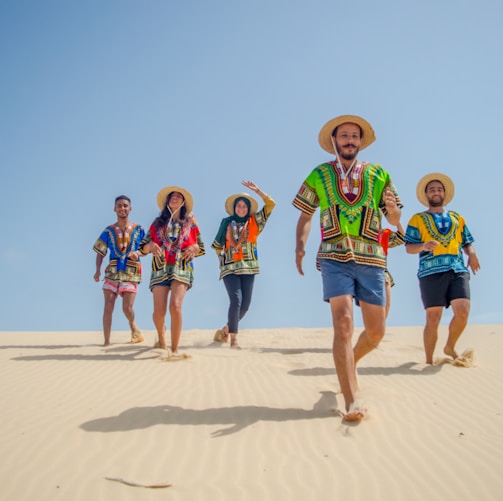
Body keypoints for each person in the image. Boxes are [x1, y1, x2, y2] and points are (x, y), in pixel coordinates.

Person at [292, 114, 402, 422]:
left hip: (372, 258)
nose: (350, 139)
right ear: (334, 141)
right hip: (333, 256)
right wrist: (300, 246)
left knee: (377, 331)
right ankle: (352, 400)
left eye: (355, 135)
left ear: (360, 141)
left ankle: (349, 362)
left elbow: (394, 221)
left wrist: (393, 213)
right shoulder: (319, 174)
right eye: (344, 135)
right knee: (343, 324)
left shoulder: (379, 174)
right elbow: (305, 214)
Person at [404, 173, 480, 364]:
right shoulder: (417, 219)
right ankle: (429, 361)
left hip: (457, 268)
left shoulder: (457, 217)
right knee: (433, 317)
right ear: (426, 194)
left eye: (439, 189)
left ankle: (449, 346)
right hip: (430, 272)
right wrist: (423, 246)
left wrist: (471, 254)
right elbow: (408, 247)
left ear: (444, 193)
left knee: (463, 310)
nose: (436, 192)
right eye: (432, 190)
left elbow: (467, 242)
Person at [138, 186, 205, 356]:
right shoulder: (157, 223)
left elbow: (201, 247)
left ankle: (174, 350)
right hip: (160, 268)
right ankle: (161, 337)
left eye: (178, 196)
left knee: (175, 306)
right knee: (158, 313)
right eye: (172, 196)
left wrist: (195, 247)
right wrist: (151, 245)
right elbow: (143, 248)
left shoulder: (191, 222)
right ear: (167, 201)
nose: (174, 198)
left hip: (181, 267)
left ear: (183, 202)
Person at [211, 180, 276, 349]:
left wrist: (258, 191)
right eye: (238, 205)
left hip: (249, 267)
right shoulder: (226, 222)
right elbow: (217, 245)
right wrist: (222, 261)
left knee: (245, 305)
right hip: (230, 268)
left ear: (248, 208)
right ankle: (234, 340)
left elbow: (271, 204)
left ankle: (226, 329)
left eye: (244, 206)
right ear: (234, 208)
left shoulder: (255, 222)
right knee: (236, 300)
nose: (241, 208)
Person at [93, 195, 145, 346]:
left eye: (125, 206)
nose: (122, 208)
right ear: (114, 208)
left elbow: (146, 248)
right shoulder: (108, 231)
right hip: (113, 270)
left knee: (127, 308)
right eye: (119, 206)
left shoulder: (139, 229)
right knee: (108, 305)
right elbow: (100, 251)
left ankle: (133, 325)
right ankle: (106, 342)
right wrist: (97, 270)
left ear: (130, 208)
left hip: (131, 271)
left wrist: (138, 254)